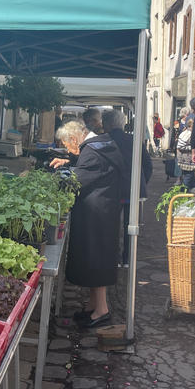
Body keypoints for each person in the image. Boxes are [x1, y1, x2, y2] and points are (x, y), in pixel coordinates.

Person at [53, 120, 126, 328]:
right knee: (93, 258)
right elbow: (88, 169)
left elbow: (79, 179)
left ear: (74, 139)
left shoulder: (93, 152)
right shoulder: (99, 145)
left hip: (98, 214)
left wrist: (57, 178)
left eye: (67, 145)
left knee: (96, 259)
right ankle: (93, 306)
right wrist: (68, 163)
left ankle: (101, 311)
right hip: (101, 210)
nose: (68, 150)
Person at [102, 109, 152, 267]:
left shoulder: (105, 140)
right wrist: (141, 183)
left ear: (107, 124)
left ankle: (114, 258)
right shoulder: (134, 140)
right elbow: (148, 165)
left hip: (112, 189)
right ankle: (127, 259)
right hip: (132, 189)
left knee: (112, 225)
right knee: (130, 227)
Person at [176, 117, 195, 190]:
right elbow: (180, 146)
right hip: (187, 158)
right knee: (188, 175)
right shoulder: (189, 134)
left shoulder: (185, 132)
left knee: (190, 173)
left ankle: (193, 187)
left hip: (184, 157)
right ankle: (183, 190)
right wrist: (193, 148)